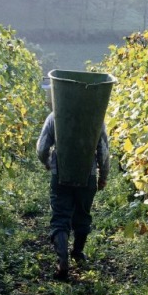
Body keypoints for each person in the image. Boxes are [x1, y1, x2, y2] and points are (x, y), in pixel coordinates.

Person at [36, 112, 110, 280]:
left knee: (60, 217)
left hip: (61, 174)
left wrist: (47, 162)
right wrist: (103, 176)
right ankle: (78, 252)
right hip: (87, 176)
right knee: (83, 214)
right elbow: (103, 152)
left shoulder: (55, 116)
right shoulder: (95, 117)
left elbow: (42, 148)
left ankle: (63, 261)